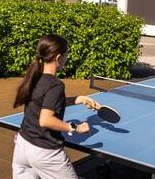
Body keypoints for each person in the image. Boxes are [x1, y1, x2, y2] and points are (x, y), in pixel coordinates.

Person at [12, 34, 100, 179]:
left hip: (22, 146)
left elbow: (45, 102)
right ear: (59, 57)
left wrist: (79, 99)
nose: (67, 59)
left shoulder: (34, 77)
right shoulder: (56, 85)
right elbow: (45, 120)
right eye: (66, 55)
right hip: (45, 153)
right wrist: (75, 128)